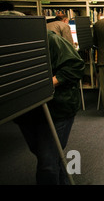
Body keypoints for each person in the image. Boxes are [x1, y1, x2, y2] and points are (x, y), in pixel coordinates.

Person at [15, 30, 85, 184]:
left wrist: (42, 86)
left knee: (48, 160)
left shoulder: (49, 39)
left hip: (56, 107)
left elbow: (75, 65)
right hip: (25, 111)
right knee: (44, 154)